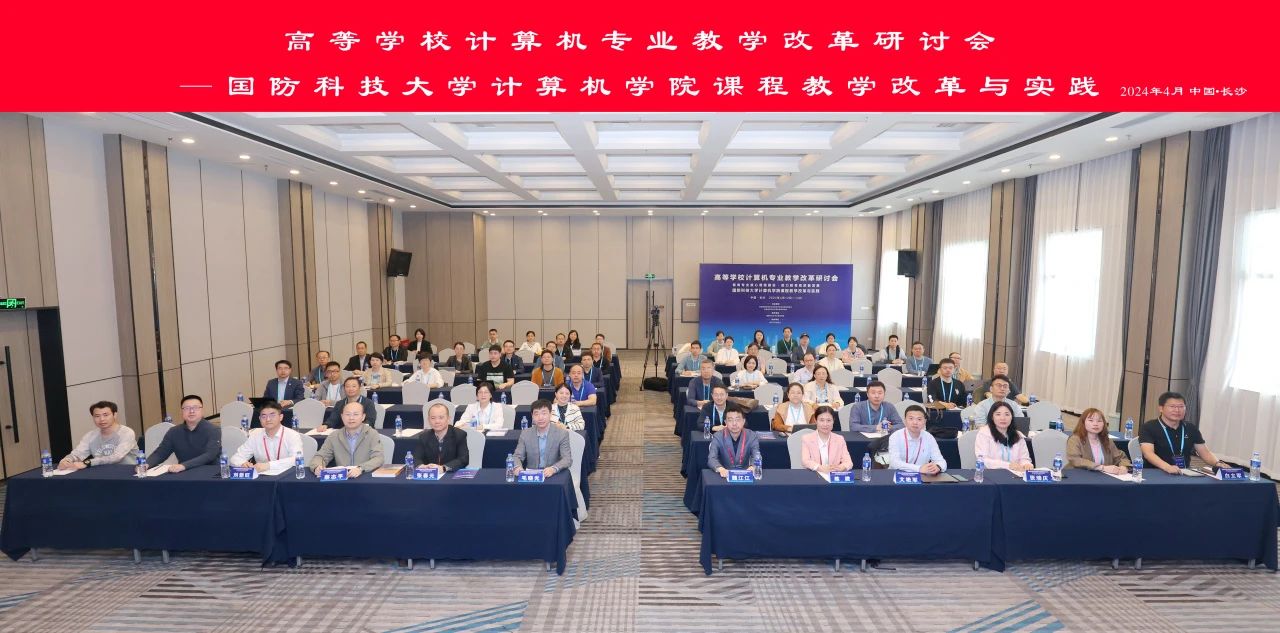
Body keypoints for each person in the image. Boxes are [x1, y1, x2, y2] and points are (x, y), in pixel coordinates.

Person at [1139, 391, 1229, 475]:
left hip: (1184, 472)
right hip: (1155, 473)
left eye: (1181, 406)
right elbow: (1148, 454)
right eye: (1172, 406)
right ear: (1161, 408)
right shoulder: (1149, 427)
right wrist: (1167, 467)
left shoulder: (1190, 428)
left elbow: (1205, 452)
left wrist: (1217, 463)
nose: (1177, 410)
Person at [309, 400, 384, 477]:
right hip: (342, 478)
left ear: (363, 417)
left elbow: (378, 458)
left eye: (355, 414)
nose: (351, 418)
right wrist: (317, 467)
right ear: (342, 417)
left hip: (364, 476)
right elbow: (321, 456)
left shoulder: (372, 434)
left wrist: (361, 468)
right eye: (348, 414)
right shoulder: (334, 436)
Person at [146, 395, 220, 471]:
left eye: (195, 407)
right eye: (187, 408)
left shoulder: (214, 430)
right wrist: (146, 464)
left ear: (202, 410)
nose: (191, 411)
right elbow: (160, 453)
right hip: (184, 472)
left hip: (209, 471)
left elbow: (210, 455)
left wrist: (184, 466)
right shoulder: (174, 432)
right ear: (182, 411)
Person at [58, 400, 137, 469]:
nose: (102, 419)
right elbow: (78, 454)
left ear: (115, 415)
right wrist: (67, 460)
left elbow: (117, 457)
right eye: (97, 416)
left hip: (128, 471)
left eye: (106, 415)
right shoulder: (90, 436)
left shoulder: (126, 432)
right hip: (101, 472)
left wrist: (88, 462)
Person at [230, 401, 305, 472]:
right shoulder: (255, 435)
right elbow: (235, 458)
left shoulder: (292, 435)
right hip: (262, 477)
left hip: (287, 476)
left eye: (272, 415)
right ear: (259, 419)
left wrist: (268, 466)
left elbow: (296, 459)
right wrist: (242, 464)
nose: (268, 419)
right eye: (264, 416)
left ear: (281, 417)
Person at [511, 399, 572, 477]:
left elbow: (567, 459)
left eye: (544, 413)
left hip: (553, 475)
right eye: (536, 414)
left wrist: (553, 469)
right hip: (532, 475)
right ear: (532, 416)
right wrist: (517, 467)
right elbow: (517, 456)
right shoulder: (526, 433)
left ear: (551, 414)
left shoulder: (562, 434)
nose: (540, 418)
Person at [1066, 407, 1132, 473]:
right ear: (1083, 423)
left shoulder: (1107, 440)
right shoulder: (1075, 439)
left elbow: (1120, 457)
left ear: (1104, 424)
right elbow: (1075, 460)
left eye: (1099, 421)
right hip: (1078, 475)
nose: (1095, 424)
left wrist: (1124, 467)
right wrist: (1102, 468)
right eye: (1091, 420)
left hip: (1103, 476)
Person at [974, 401, 1034, 473]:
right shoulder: (984, 433)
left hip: (1016, 474)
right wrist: (1008, 465)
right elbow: (983, 460)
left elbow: (1024, 458)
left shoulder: (1018, 435)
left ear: (1012, 417)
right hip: (991, 474)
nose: (1003, 418)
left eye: (1007, 414)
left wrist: (1026, 464)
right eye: (998, 414)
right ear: (992, 417)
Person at [888, 404, 948, 474]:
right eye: (911, 418)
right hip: (897, 475)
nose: (915, 422)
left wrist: (938, 466)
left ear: (924, 421)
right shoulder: (895, 436)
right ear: (905, 420)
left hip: (922, 476)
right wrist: (919, 468)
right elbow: (894, 463)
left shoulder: (929, 437)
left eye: (919, 419)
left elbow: (941, 461)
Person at [413, 402, 470, 473]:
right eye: (433, 418)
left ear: (448, 419)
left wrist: (443, 468)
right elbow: (415, 458)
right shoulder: (424, 437)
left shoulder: (459, 435)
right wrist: (421, 466)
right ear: (428, 420)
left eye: (441, 417)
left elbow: (463, 459)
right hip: (431, 476)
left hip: (450, 475)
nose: (437, 421)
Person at [708, 407, 760, 477]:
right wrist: (721, 469)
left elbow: (756, 455)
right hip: (724, 475)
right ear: (725, 422)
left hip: (745, 474)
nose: (734, 423)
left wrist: (753, 467)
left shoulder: (752, 436)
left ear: (743, 421)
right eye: (730, 420)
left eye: (737, 420)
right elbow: (712, 458)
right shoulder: (718, 436)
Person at [801, 406, 854, 473]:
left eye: (828, 420)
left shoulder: (839, 439)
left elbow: (848, 462)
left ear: (833, 421)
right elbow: (805, 461)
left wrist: (841, 467)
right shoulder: (807, 439)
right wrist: (820, 468)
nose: (825, 424)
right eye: (821, 420)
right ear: (816, 421)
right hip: (814, 475)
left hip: (833, 475)